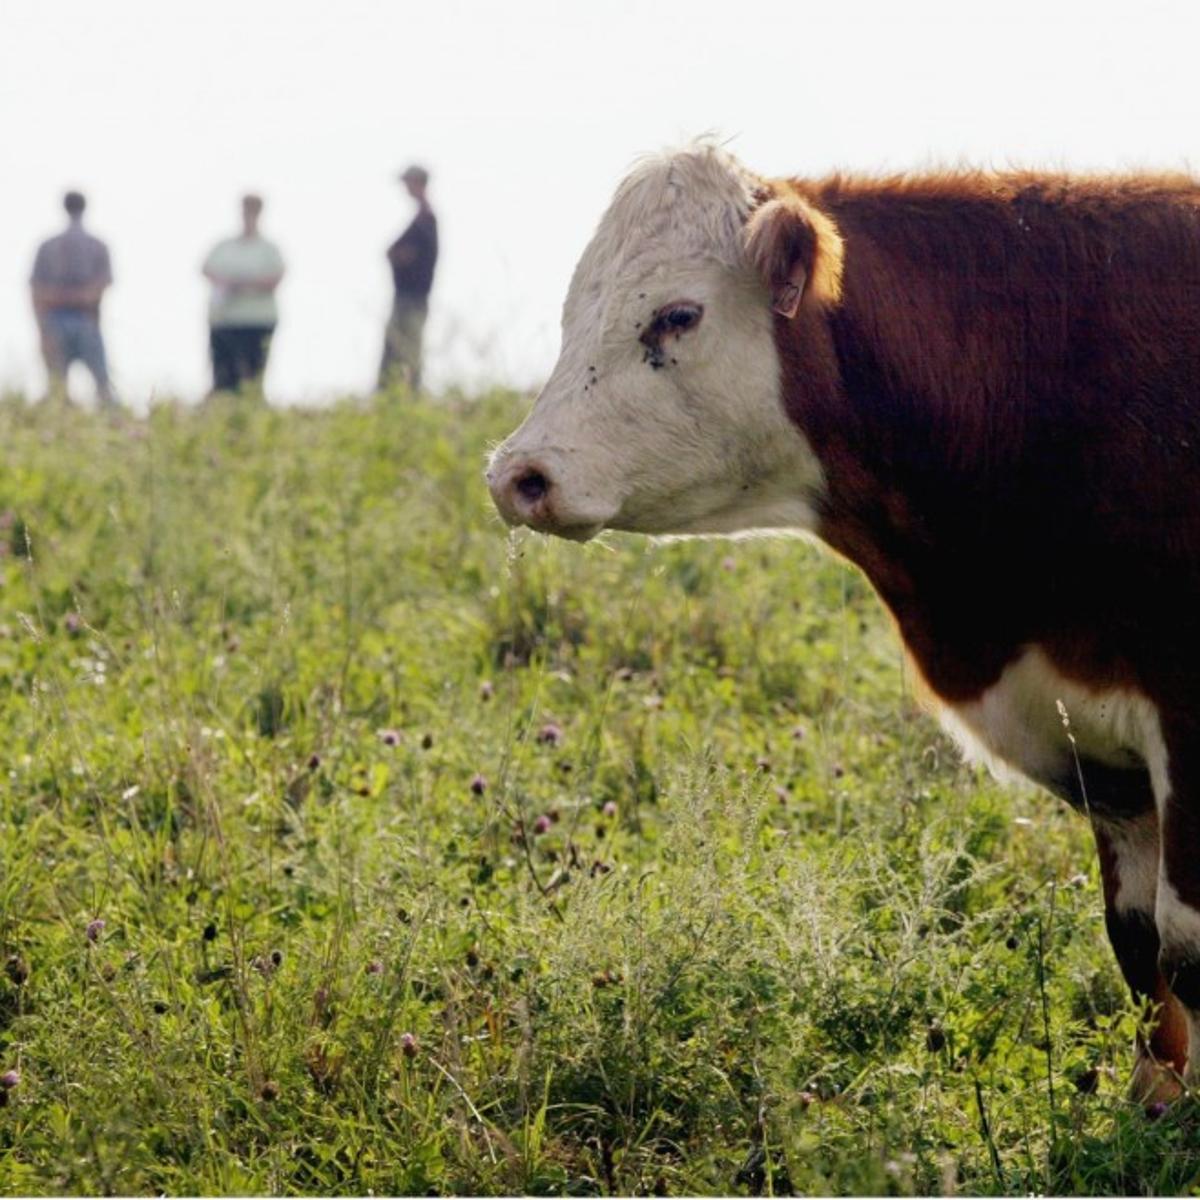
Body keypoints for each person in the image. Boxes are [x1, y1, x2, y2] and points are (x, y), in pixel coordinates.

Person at [30, 191, 116, 407]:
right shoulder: (97, 245)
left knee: (57, 386)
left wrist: (42, 327)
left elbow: (36, 291)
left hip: (55, 318)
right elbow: (101, 287)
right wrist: (81, 298)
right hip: (85, 319)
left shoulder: (48, 246)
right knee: (102, 385)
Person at [202, 194, 285, 395]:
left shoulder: (269, 249)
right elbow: (207, 270)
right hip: (224, 320)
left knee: (252, 378)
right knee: (223, 379)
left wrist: (239, 284)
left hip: (257, 321)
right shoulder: (224, 246)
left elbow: (275, 278)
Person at [379, 164, 438, 391]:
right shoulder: (420, 219)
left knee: (408, 348)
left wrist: (397, 255)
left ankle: (411, 393)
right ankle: (392, 392)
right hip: (405, 295)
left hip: (414, 297)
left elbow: (405, 254)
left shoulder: (426, 220)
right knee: (395, 348)